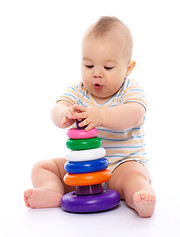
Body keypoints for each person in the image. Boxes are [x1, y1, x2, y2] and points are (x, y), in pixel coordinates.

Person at [24, 16, 156, 217]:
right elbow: (58, 107)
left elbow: (134, 115)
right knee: (42, 167)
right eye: (88, 65)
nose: (97, 73)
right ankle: (52, 191)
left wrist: (101, 115)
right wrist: (63, 114)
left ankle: (141, 197)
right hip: (84, 170)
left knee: (134, 177)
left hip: (122, 165)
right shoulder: (78, 90)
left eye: (108, 67)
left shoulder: (131, 90)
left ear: (128, 67)